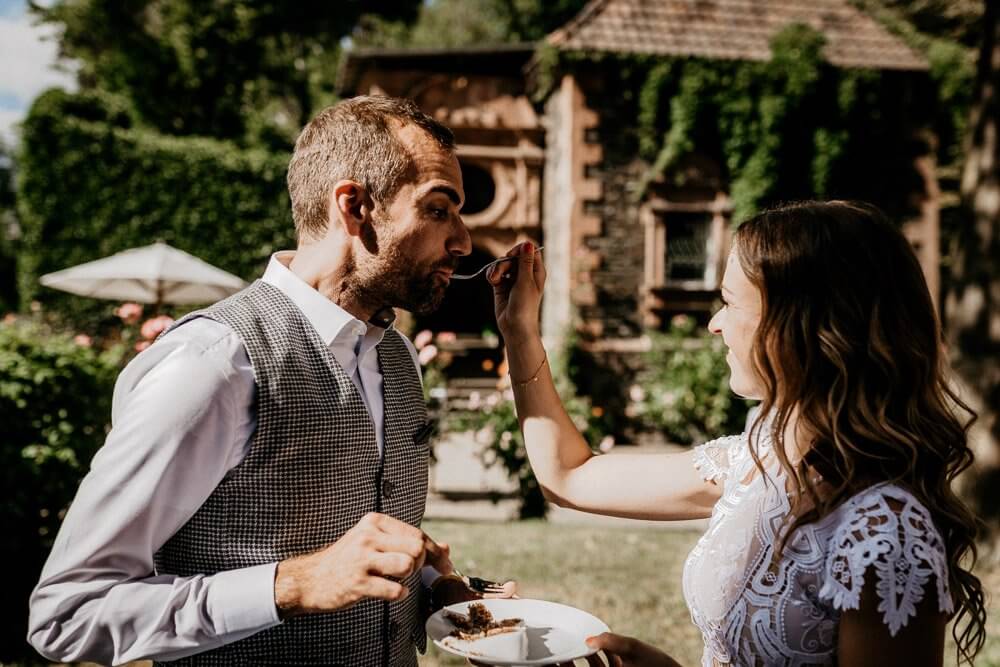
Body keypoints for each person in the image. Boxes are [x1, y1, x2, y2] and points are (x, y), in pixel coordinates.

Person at [28, 95, 498, 665]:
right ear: (354, 207)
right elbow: (69, 613)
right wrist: (290, 585)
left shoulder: (396, 354)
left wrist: (437, 589)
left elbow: (358, 554)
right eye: (438, 210)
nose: (465, 241)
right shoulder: (212, 363)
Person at [488, 201, 987, 666]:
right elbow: (570, 476)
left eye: (728, 302)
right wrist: (520, 333)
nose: (713, 325)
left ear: (798, 326)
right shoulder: (756, 461)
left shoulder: (889, 537)